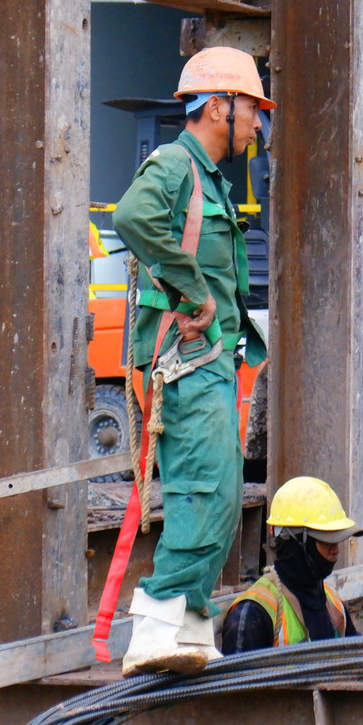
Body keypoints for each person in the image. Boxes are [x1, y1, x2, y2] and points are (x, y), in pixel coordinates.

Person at [113, 46, 274, 676]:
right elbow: (133, 216)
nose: (257, 126)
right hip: (184, 364)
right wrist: (194, 288)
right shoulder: (177, 165)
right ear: (217, 107)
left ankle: (191, 627)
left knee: (225, 494)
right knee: (202, 489)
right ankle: (155, 625)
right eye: (251, 111)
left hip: (211, 364)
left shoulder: (209, 179)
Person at [222, 477, 363, 651]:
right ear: (294, 541)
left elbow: (357, 660)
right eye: (326, 541)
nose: (335, 551)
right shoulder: (253, 613)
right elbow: (238, 677)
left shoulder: (333, 602)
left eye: (337, 541)